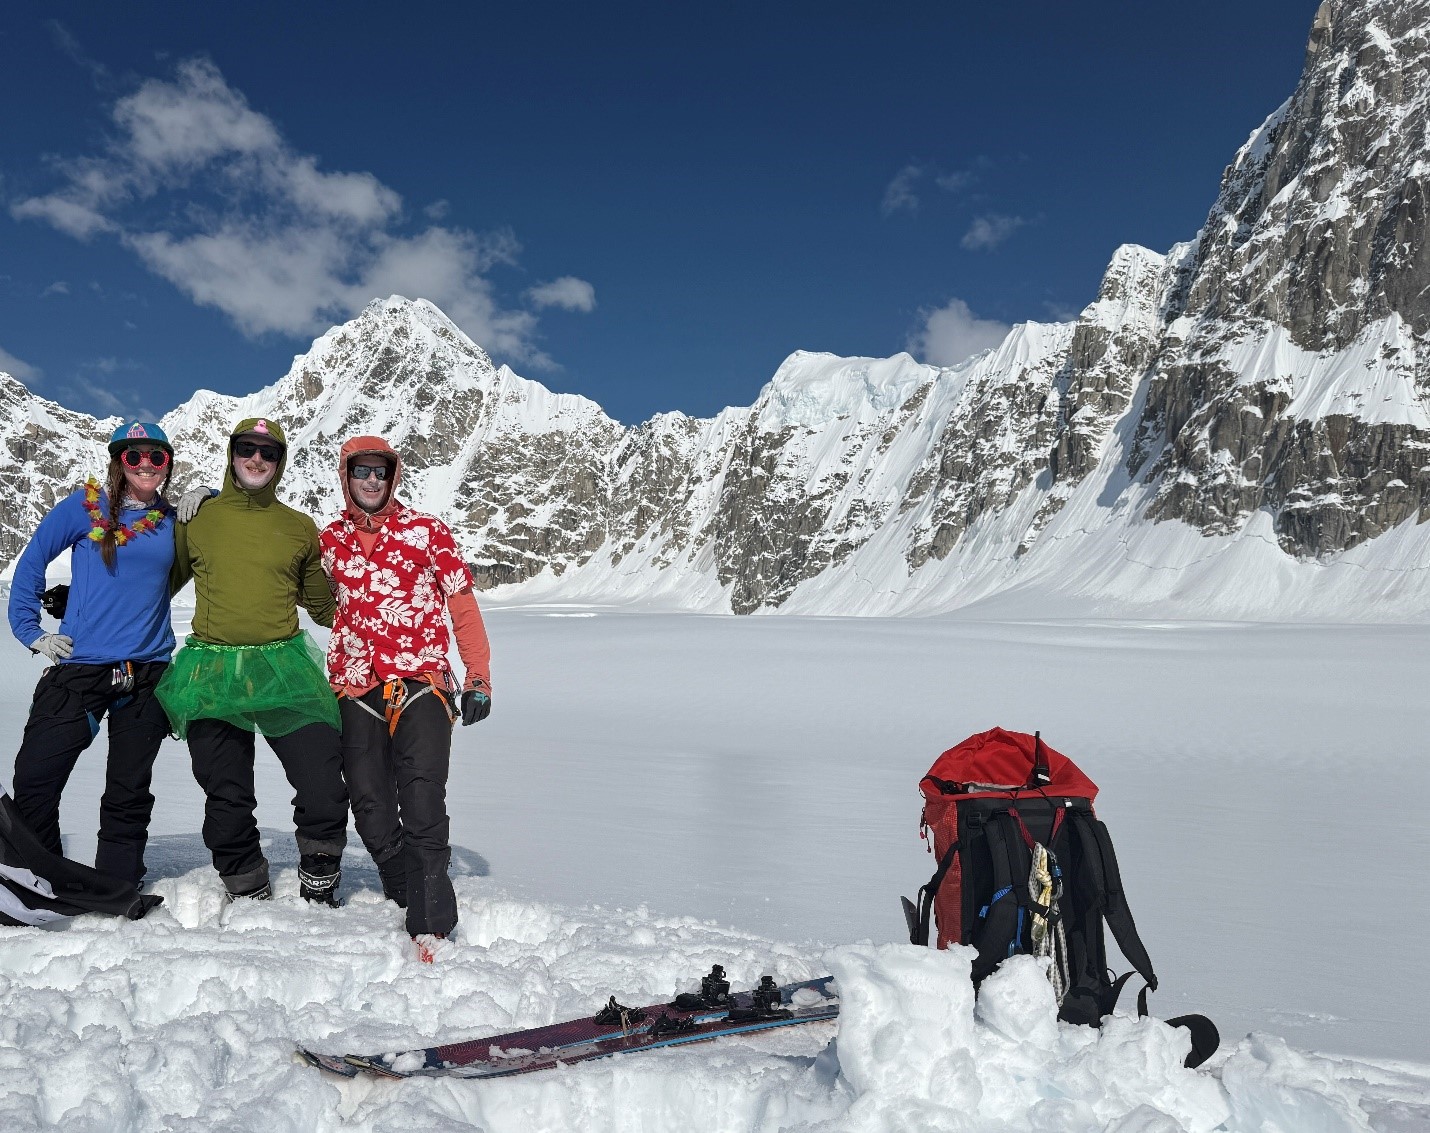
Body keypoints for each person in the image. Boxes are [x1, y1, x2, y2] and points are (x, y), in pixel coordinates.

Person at [157, 417, 348, 905]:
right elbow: (155, 584)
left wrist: (387, 597)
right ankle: (244, 879)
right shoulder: (198, 519)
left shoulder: (298, 528)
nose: (257, 459)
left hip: (283, 668)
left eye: (270, 453)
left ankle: (320, 872)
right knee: (226, 793)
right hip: (214, 670)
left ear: (281, 463)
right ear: (231, 453)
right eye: (247, 448)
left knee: (323, 782)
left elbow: (325, 607)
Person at [5, 422, 204, 885]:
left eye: (157, 456)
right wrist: (29, 631)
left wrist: (209, 494)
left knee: (129, 789)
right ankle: (43, 876)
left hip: (147, 672)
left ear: (168, 463)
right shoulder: (83, 507)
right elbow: (33, 559)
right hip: (81, 668)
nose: (147, 465)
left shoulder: (174, 520)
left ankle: (117, 880)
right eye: (134, 456)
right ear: (119, 462)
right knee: (35, 779)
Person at [319, 436, 491, 954]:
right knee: (369, 802)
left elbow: (461, 604)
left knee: (421, 793)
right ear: (346, 476)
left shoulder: (427, 531)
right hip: (355, 682)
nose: (371, 480)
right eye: (361, 471)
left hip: (423, 680)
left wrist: (478, 676)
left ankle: (431, 917)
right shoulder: (328, 542)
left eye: (381, 471)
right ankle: (400, 877)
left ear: (393, 476)